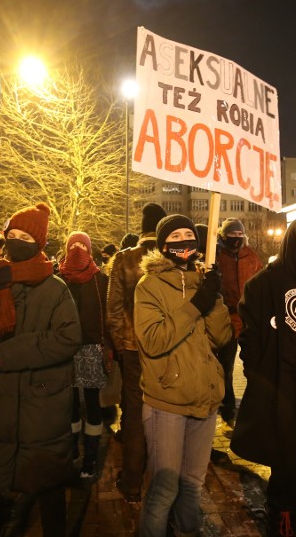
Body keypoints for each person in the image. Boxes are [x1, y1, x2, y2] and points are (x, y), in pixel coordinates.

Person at [0, 203, 81, 537]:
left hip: (41, 408)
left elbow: (67, 338)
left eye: (25, 236)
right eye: (11, 234)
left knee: (48, 488)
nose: (16, 241)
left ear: (38, 242)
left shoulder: (56, 289)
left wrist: (8, 353)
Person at [231, 218, 296, 536]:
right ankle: (283, 521)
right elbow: (250, 337)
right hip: (283, 388)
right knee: (288, 464)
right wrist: (261, 376)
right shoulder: (265, 283)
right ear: (292, 243)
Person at [134, 214, 231, 537]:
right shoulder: (149, 286)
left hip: (205, 397)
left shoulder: (204, 280)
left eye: (188, 234)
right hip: (168, 402)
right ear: (163, 246)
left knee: (192, 484)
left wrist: (213, 298)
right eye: (175, 236)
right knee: (164, 488)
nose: (183, 241)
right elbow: (154, 340)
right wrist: (195, 305)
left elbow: (222, 337)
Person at [105, 202, 168, 502]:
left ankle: (131, 480)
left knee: (133, 412)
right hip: (167, 348)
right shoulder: (171, 257)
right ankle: (163, 479)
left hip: (132, 349)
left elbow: (114, 308)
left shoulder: (124, 259)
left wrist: (122, 344)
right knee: (167, 412)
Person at [57, 231, 111, 479]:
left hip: (90, 348)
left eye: (82, 245)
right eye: (73, 245)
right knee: (69, 406)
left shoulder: (100, 280)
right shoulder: (58, 278)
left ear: (90, 250)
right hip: (63, 349)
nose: (77, 249)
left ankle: (89, 457)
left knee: (91, 403)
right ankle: (71, 452)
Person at [215, 217, 263, 424]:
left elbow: (260, 283)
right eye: (232, 234)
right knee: (225, 366)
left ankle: (255, 406)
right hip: (225, 319)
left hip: (248, 319)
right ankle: (227, 409)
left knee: (253, 364)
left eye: (239, 234)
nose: (236, 237)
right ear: (223, 236)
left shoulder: (251, 257)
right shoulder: (216, 256)